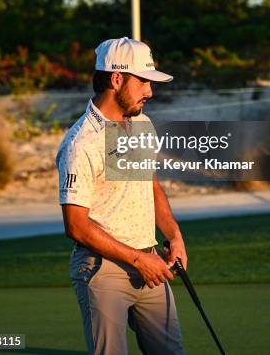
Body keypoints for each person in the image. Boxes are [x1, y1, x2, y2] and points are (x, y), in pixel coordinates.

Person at [56, 37, 186, 355]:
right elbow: (76, 226)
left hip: (150, 262)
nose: (150, 92)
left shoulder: (139, 124)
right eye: (143, 81)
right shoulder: (81, 143)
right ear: (116, 78)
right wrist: (139, 260)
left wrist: (175, 236)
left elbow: (150, 186)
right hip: (103, 269)